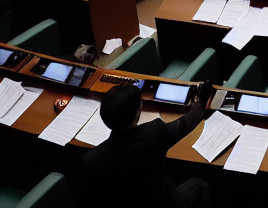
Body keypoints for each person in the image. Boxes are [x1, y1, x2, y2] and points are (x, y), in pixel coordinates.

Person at [78, 79, 215, 208]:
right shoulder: (153, 134)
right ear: (137, 114)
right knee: (198, 184)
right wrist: (200, 102)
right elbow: (187, 123)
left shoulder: (90, 160)